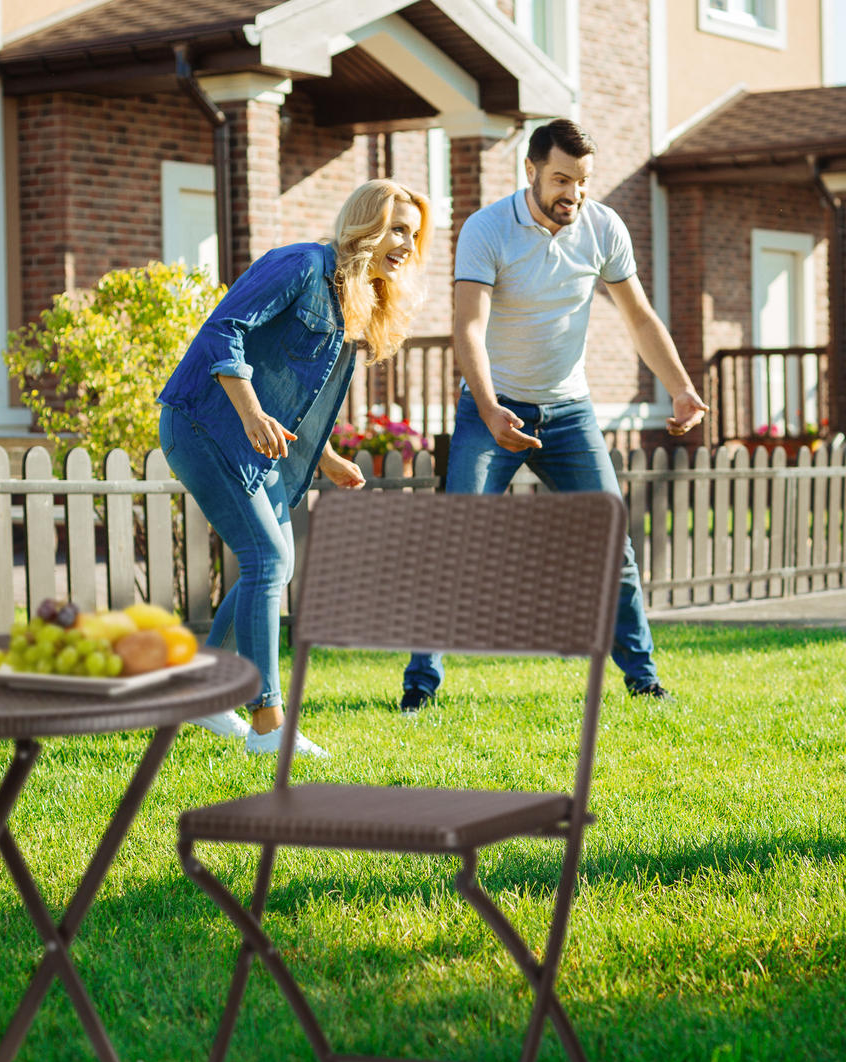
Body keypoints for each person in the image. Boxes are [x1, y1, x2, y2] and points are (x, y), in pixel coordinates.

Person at [401, 118, 706, 712]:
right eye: (562, 179)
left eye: (584, 181)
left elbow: (639, 316)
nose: (574, 193)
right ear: (531, 172)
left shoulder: (602, 227)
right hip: (491, 409)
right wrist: (489, 409)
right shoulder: (486, 229)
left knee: (611, 543)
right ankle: (419, 688)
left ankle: (644, 680)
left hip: (568, 411)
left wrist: (682, 388)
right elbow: (468, 326)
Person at [159, 179, 433, 757]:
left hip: (256, 441)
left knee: (272, 566)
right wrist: (252, 411)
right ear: (364, 224)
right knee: (269, 559)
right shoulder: (300, 266)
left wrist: (326, 457)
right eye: (396, 228)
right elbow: (222, 332)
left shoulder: (350, 296)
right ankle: (267, 724)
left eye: (413, 233)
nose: (407, 243)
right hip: (205, 424)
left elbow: (299, 395)